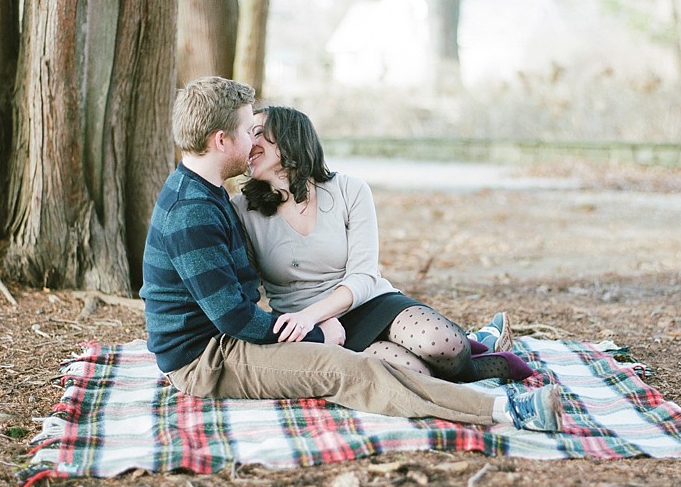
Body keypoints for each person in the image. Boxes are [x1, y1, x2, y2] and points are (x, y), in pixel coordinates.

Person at [140, 76, 563, 432]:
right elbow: (234, 316)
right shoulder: (194, 210)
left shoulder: (206, 194)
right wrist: (317, 333)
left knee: (414, 351)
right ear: (221, 140)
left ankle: (478, 354)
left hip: (237, 338)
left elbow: (240, 302)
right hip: (208, 358)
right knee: (351, 371)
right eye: (249, 129)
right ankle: (507, 410)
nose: (253, 138)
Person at [231, 105, 533, 383]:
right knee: (411, 373)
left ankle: (474, 348)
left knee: (443, 344)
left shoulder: (350, 190)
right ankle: (485, 354)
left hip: (369, 303)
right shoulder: (242, 209)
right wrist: (310, 326)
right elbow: (244, 289)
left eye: (257, 133)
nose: (249, 143)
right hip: (315, 329)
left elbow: (363, 276)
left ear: (288, 138)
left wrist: (315, 314)